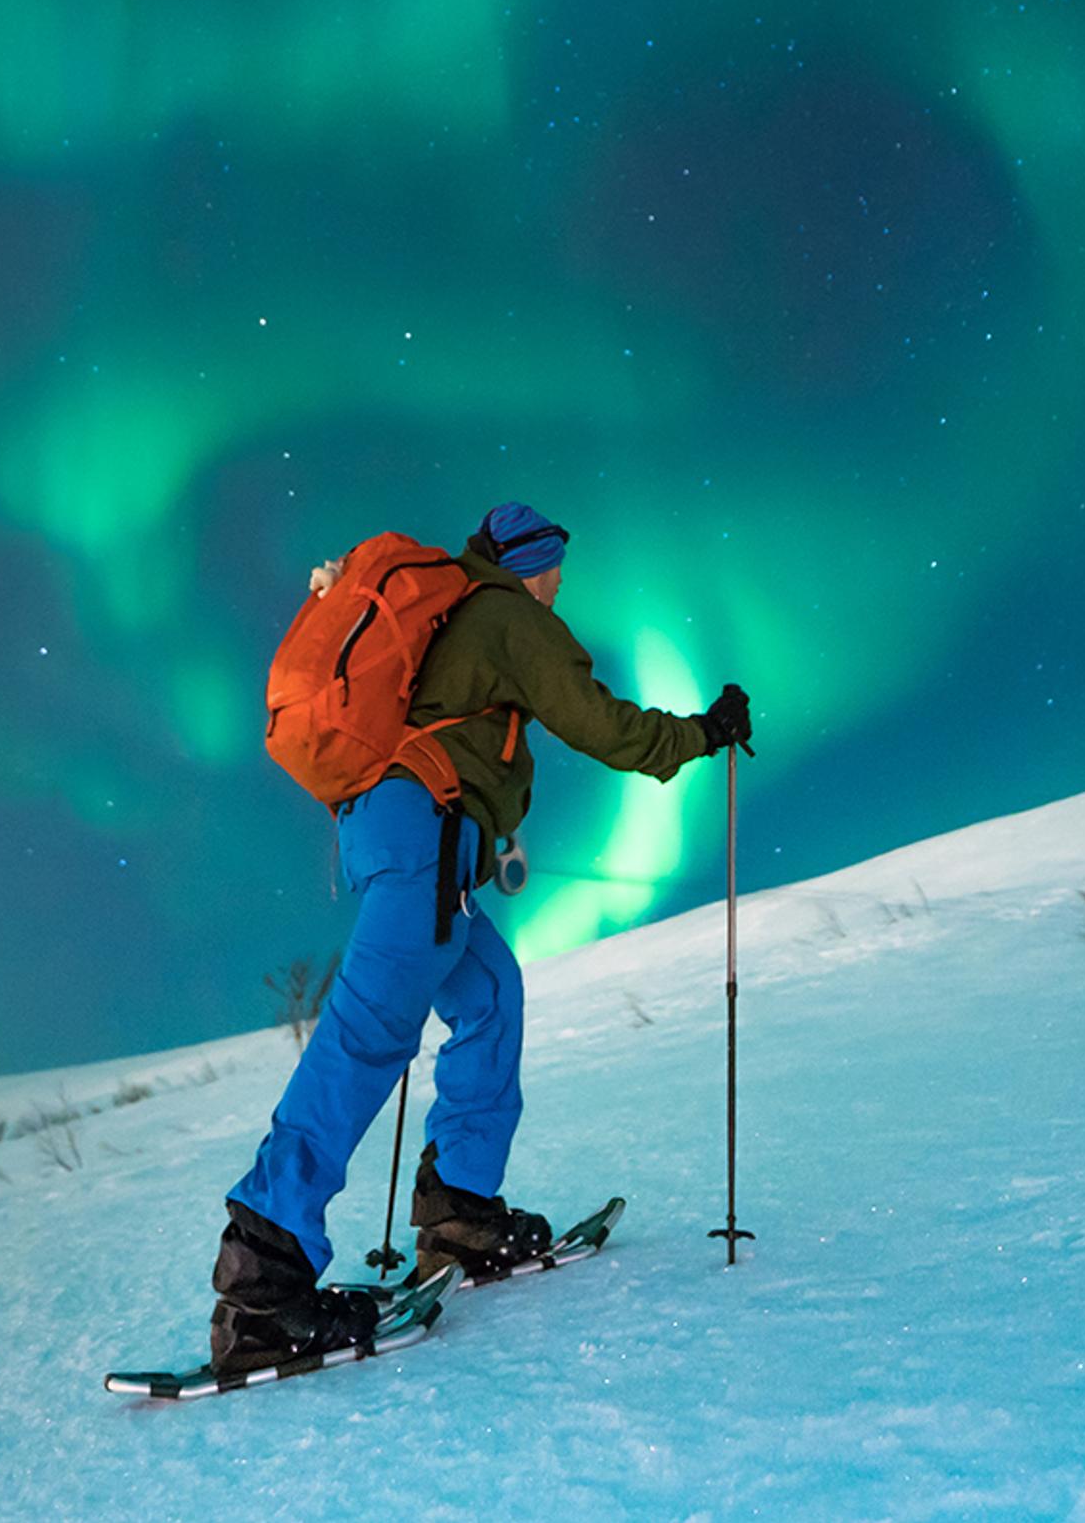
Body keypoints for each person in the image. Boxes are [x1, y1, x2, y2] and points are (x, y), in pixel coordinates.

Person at [206, 500, 752, 1372]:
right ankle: (264, 1278)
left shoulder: (463, 612)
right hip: (424, 837)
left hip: (422, 842)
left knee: (491, 996)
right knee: (368, 1035)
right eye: (555, 573)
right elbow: (599, 723)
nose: (558, 588)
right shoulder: (504, 614)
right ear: (530, 564)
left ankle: (459, 1210)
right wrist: (702, 733)